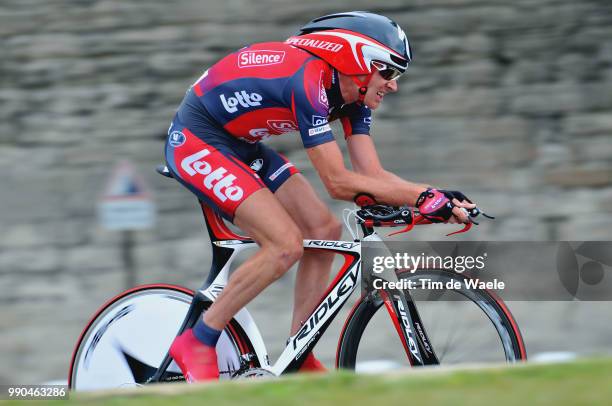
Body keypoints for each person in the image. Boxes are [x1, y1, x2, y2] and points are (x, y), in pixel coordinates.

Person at [165, 11, 476, 382]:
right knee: (284, 245)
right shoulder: (308, 82)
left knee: (324, 229)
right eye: (389, 72)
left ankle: (299, 352)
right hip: (197, 141)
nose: (393, 85)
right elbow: (338, 183)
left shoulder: (354, 99)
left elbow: (371, 176)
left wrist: (434, 198)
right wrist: (420, 196)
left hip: (241, 145)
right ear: (358, 61)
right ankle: (199, 339)